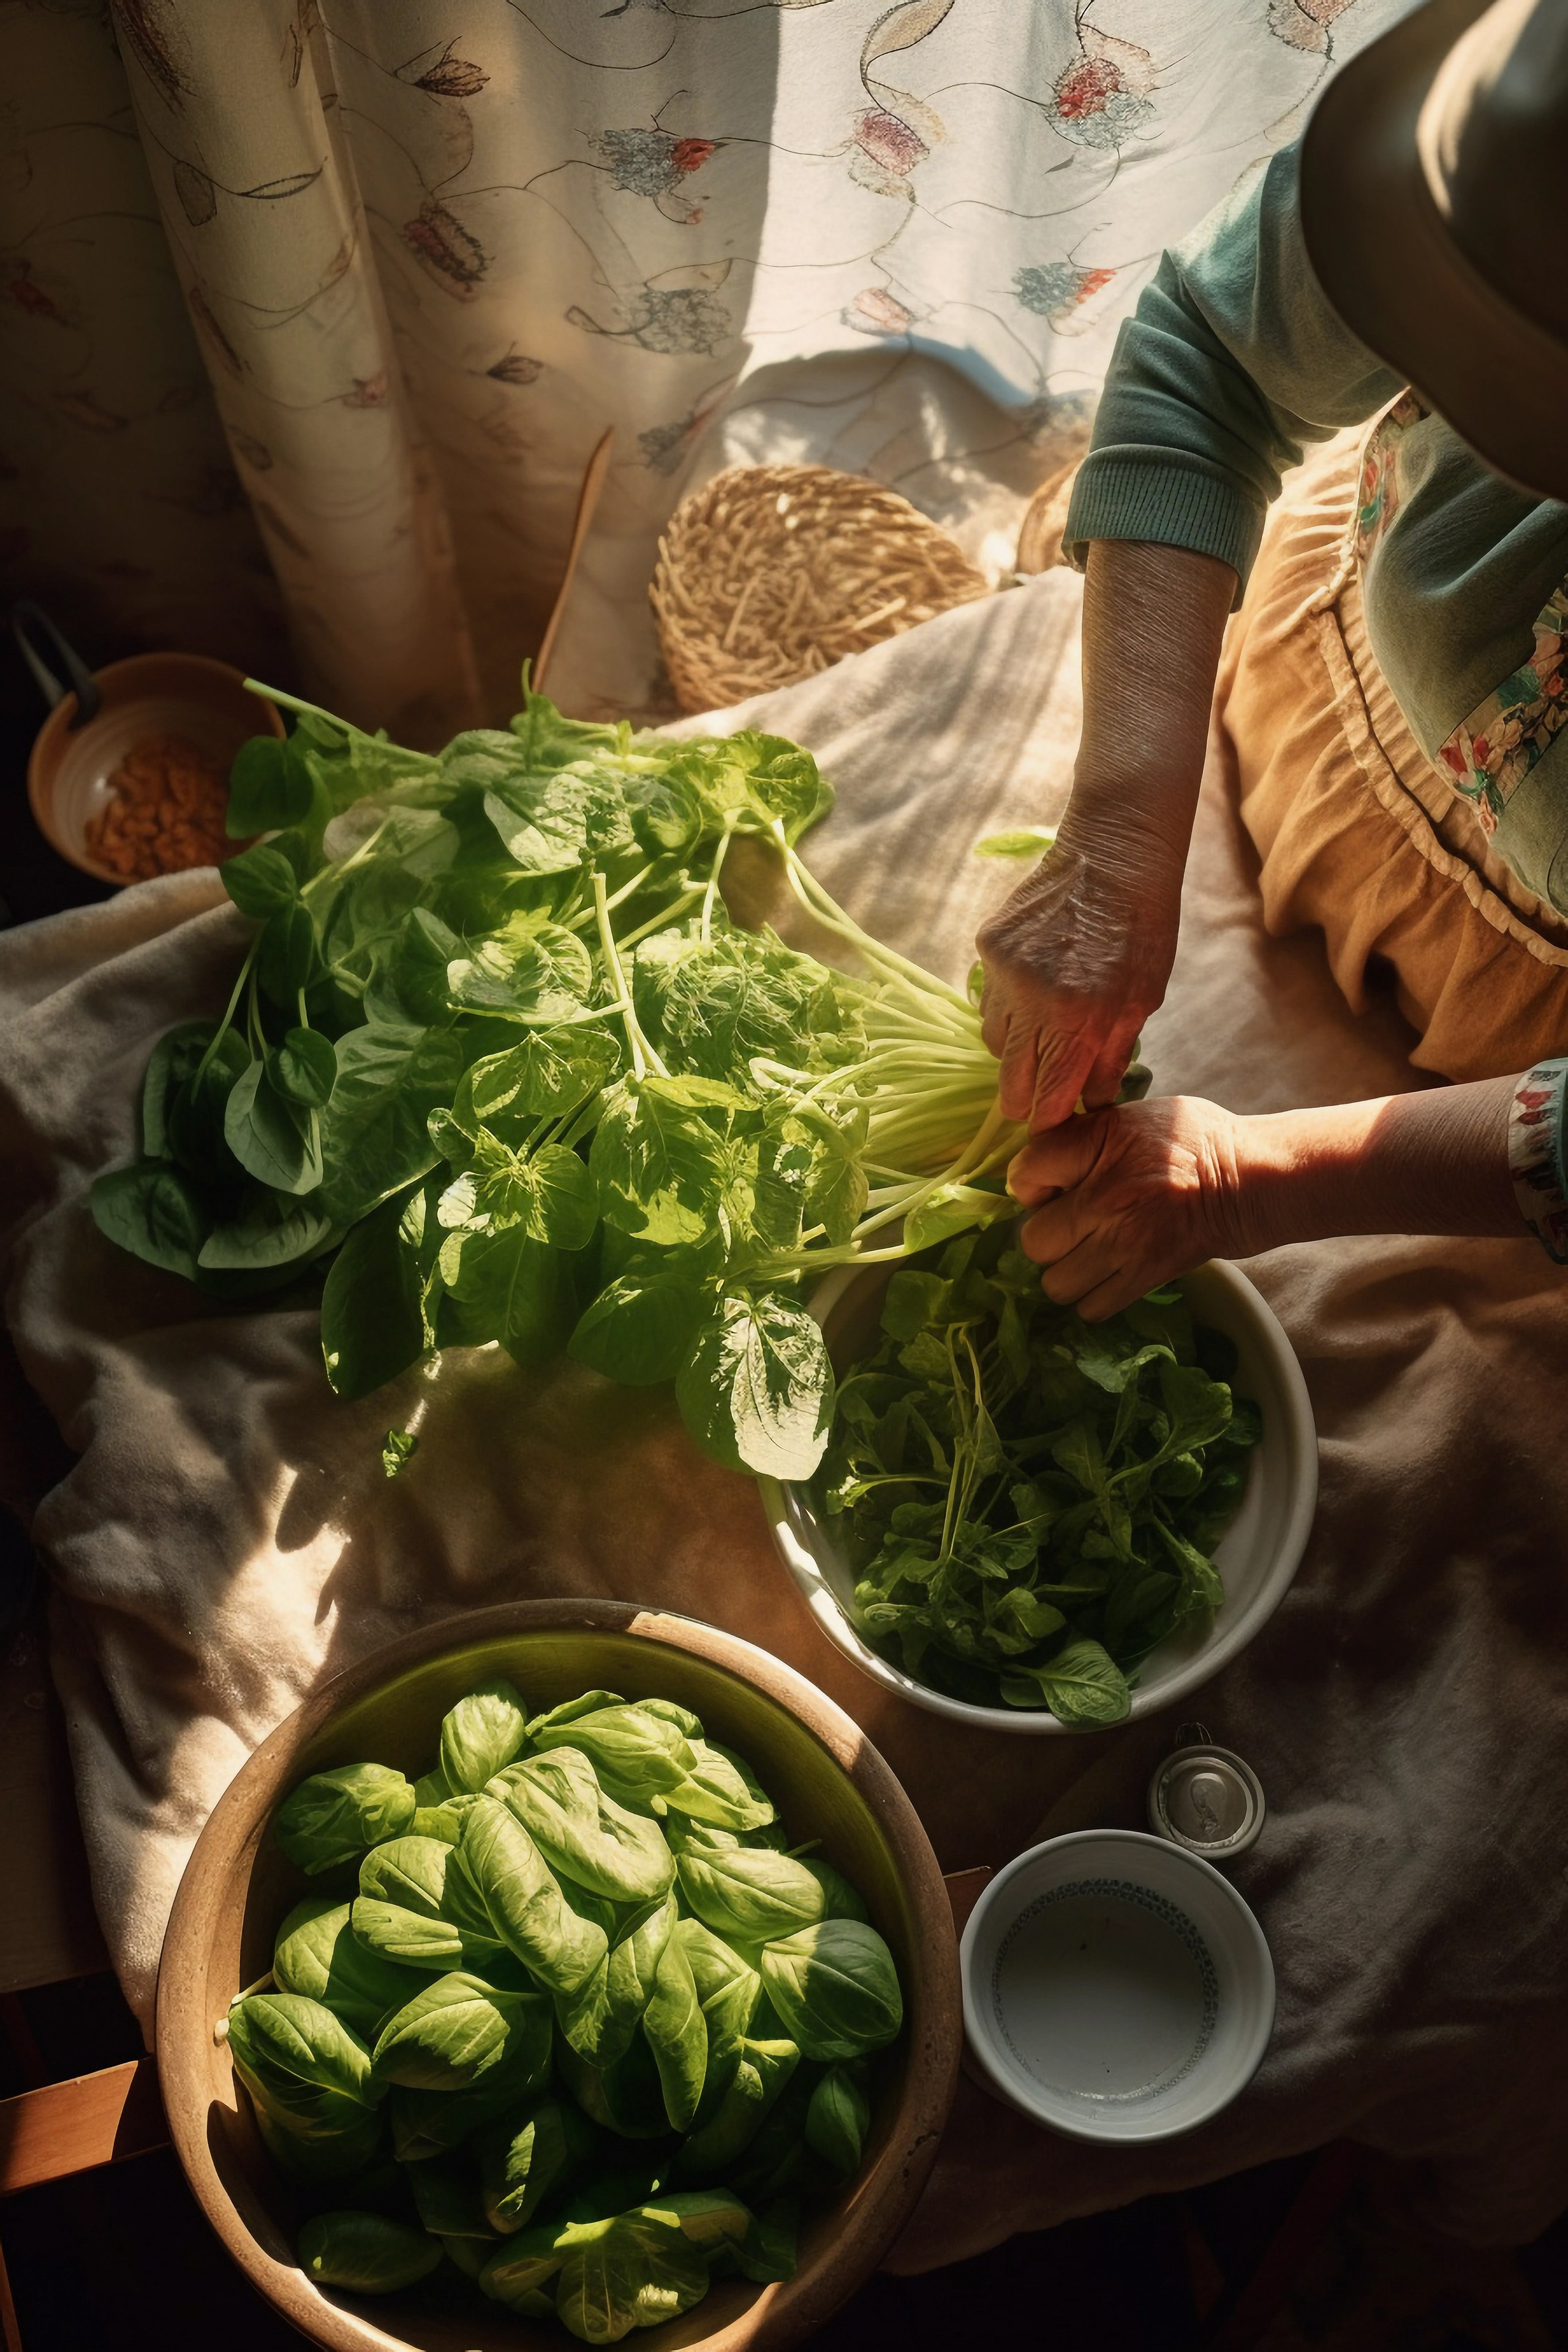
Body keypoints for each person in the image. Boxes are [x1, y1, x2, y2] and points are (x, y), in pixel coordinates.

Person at [978, 0, 1568, 1317]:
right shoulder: (1525, 114)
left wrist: (1252, 1179)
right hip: (1308, 676)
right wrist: (1121, 832)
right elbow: (1209, 357)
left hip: (1500, 1029)